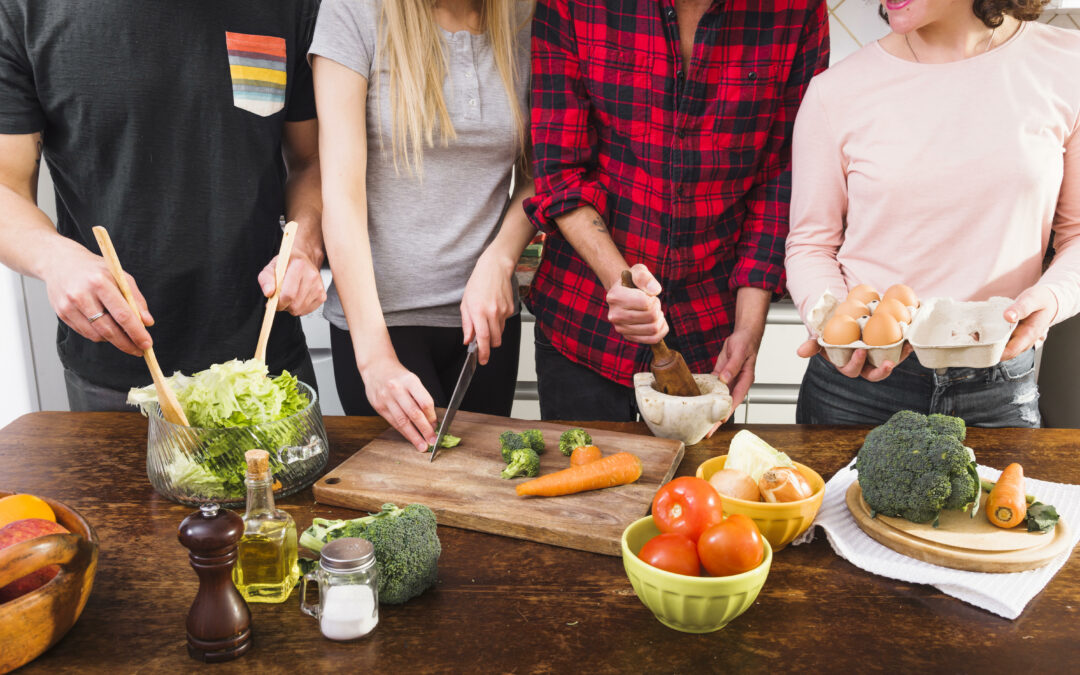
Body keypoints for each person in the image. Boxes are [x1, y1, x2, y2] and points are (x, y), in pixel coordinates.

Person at [0, 1, 327, 411]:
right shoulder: (25, 10)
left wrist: (305, 246)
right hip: (117, 374)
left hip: (265, 362)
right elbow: (5, 187)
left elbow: (311, 160)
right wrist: (55, 259)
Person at [524, 0, 829, 422]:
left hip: (711, 336)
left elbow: (780, 180)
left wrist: (749, 329)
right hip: (583, 324)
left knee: (700, 488)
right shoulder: (575, 4)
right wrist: (622, 282)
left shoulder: (795, 11)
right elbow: (560, 167)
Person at [785, 0, 1080, 426]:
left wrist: (1050, 300)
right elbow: (810, 244)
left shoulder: (1067, 65)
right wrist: (833, 321)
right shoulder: (836, 91)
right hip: (857, 388)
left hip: (997, 383)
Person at [310, 0, 535, 451]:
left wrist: (500, 257)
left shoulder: (525, 19)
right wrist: (375, 359)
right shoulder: (353, 12)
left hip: (485, 326)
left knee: (478, 503)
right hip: (381, 326)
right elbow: (341, 196)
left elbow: (539, 173)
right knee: (399, 510)